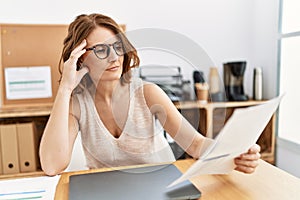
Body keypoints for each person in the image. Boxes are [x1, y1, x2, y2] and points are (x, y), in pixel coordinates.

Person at [39, 13, 261, 176]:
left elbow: (194, 144)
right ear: (80, 57)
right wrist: (65, 89)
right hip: (107, 190)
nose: (114, 57)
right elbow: (52, 165)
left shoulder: (147, 93)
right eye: (101, 50)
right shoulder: (77, 104)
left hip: (159, 184)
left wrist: (235, 153)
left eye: (118, 46)